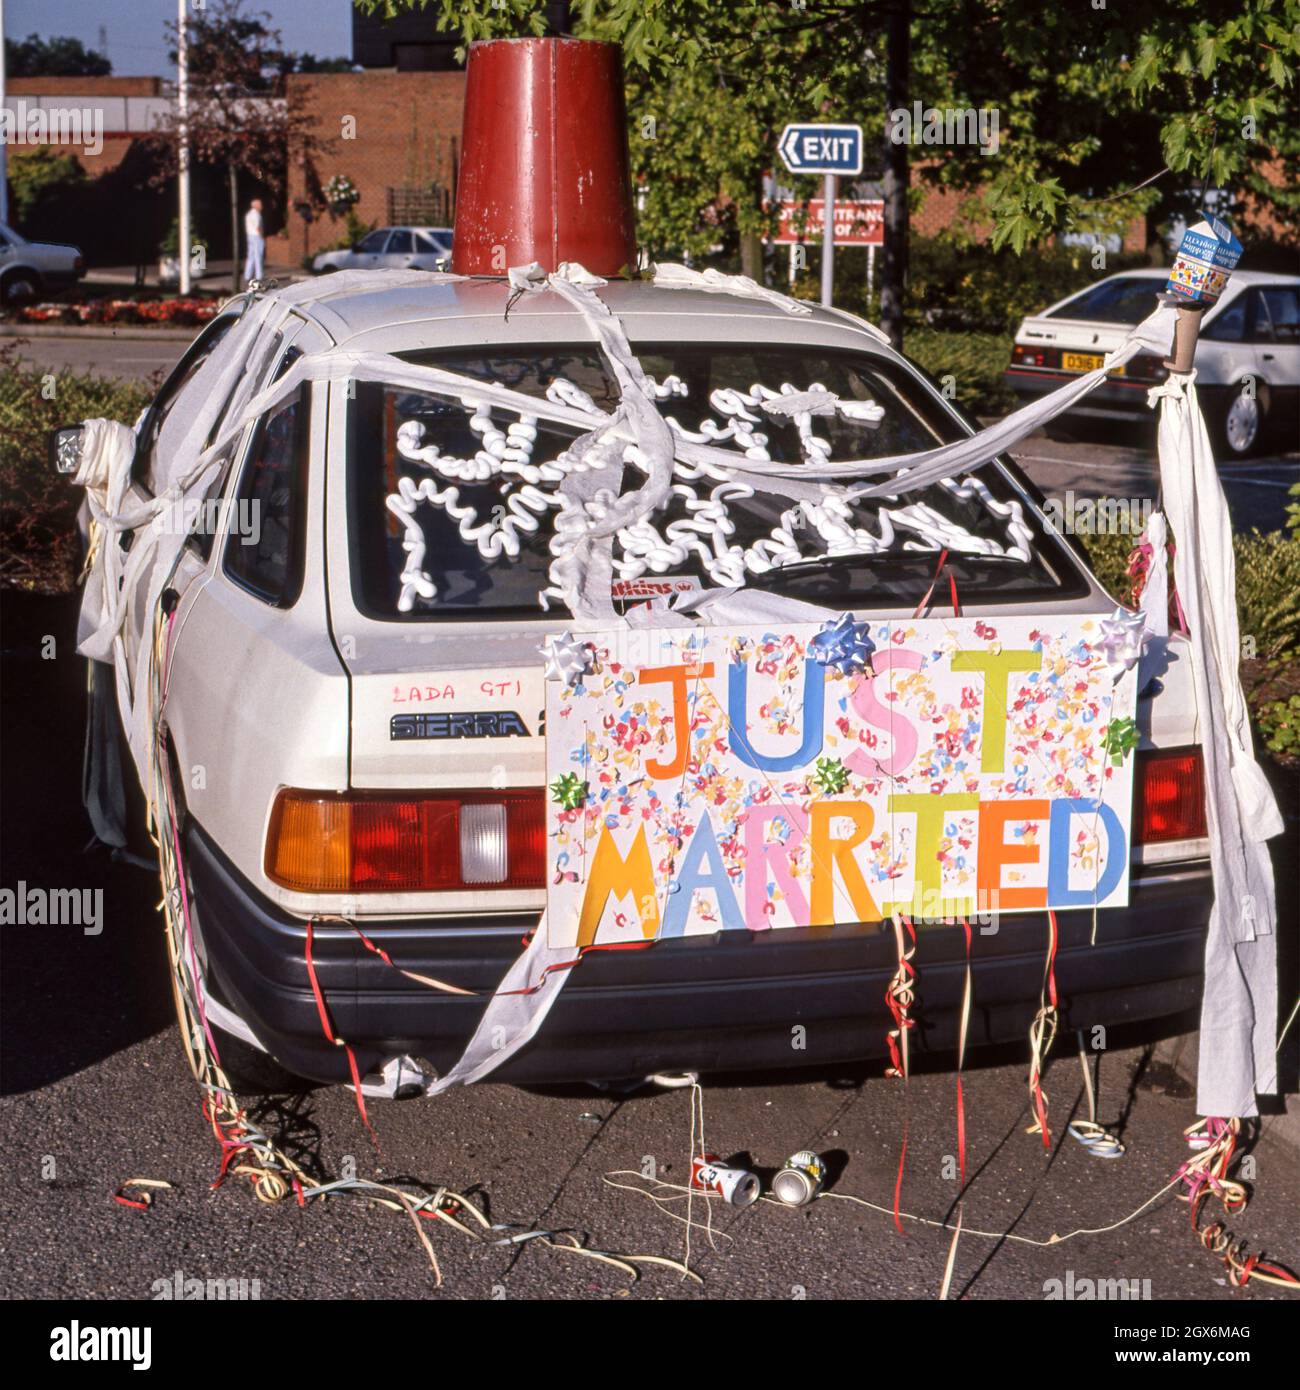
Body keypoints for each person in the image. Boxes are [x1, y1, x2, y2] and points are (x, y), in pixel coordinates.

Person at [243, 198, 265, 285]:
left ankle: (247, 275)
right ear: (255, 205)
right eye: (260, 204)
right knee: (258, 256)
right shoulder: (256, 215)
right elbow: (258, 227)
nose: (261, 206)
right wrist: (262, 237)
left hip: (250, 236)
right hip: (256, 236)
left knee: (251, 256)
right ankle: (259, 276)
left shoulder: (248, 214)